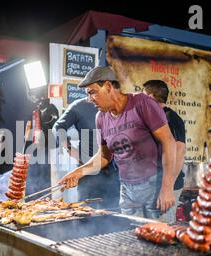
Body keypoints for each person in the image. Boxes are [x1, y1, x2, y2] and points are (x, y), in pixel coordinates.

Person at [59, 66, 176, 219]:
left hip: (153, 186)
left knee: (157, 236)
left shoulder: (142, 103)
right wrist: (77, 173)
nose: (89, 99)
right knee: (131, 237)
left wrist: (167, 188)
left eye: (92, 93)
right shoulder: (101, 117)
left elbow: (169, 142)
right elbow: (104, 156)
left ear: (108, 86)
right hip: (126, 189)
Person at [52, 97, 119, 208]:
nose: (92, 95)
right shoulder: (79, 106)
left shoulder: (114, 104)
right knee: (86, 215)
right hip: (88, 172)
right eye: (89, 91)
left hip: (114, 172)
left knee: (114, 212)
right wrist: (70, 150)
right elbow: (58, 128)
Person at [143, 80, 186, 223]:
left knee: (163, 229)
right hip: (154, 185)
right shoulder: (157, 117)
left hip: (167, 187)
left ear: (150, 97)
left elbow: (179, 151)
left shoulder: (169, 118)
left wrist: (167, 189)